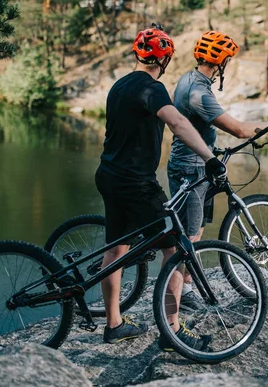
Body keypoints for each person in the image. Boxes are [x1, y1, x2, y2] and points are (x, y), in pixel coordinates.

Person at [94, 24, 226, 351]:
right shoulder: (152, 89)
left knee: (116, 248)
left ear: (137, 54)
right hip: (136, 183)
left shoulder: (120, 85)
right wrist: (209, 158)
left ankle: (114, 324)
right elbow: (178, 123)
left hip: (109, 174)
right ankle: (173, 332)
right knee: (176, 247)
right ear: (164, 59)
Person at [167, 31, 268, 311]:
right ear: (220, 62)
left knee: (192, 229)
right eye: (228, 60)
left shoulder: (188, 79)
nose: (229, 65)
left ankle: (184, 285)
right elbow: (238, 129)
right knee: (190, 236)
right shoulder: (199, 93)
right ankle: (181, 296)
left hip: (192, 162)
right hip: (192, 167)